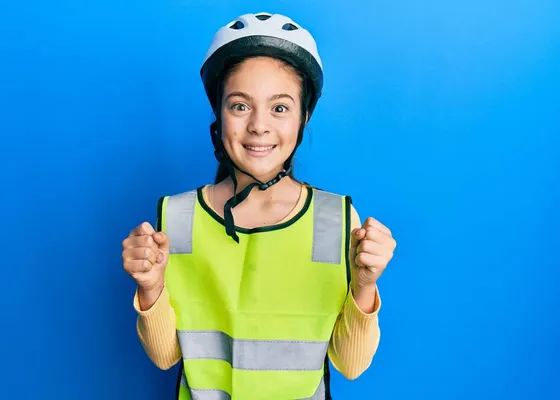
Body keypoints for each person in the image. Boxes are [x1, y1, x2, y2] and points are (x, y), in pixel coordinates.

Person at [122, 11, 397, 399]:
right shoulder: (177, 219)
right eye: (239, 106)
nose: (259, 126)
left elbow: (351, 365)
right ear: (219, 115)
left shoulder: (335, 220)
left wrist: (365, 284)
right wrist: (150, 287)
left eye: (280, 108)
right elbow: (167, 357)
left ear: (303, 118)